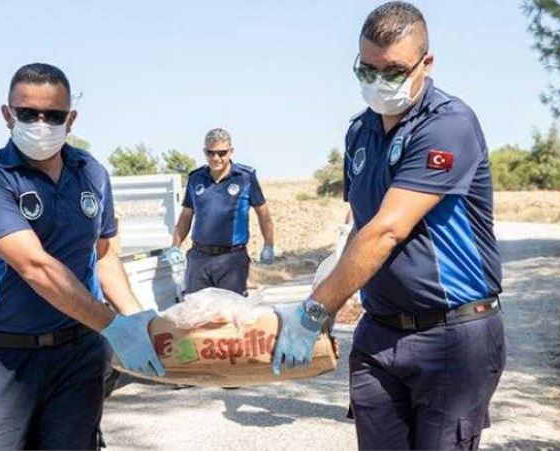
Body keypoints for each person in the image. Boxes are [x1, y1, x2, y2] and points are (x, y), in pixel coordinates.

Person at [272, 2, 506, 449]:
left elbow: (386, 230)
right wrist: (332, 294)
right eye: (367, 70)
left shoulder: (448, 125)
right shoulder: (359, 132)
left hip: (452, 337)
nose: (379, 82)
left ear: (426, 63)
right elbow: (358, 227)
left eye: (394, 71)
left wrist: (313, 309)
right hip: (378, 336)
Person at [0, 63, 163, 450]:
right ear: (7, 115)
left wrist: (137, 321)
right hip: (5, 360)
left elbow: (103, 256)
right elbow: (34, 266)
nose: (40, 123)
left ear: (70, 119)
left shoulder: (91, 173)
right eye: (27, 113)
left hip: (78, 357)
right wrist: (113, 325)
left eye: (53, 115)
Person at [170, 129, 275, 297]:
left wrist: (268, 244)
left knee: (230, 313)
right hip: (199, 258)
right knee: (196, 312)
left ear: (231, 152)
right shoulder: (195, 178)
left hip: (232, 260)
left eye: (221, 153)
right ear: (205, 152)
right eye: (211, 153)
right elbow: (185, 217)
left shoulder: (245, 178)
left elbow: (263, 215)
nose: (216, 158)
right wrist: (175, 246)